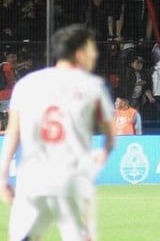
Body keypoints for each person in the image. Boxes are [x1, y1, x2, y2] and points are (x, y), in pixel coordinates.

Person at [0, 24, 115, 241]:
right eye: (92, 50)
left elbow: (12, 132)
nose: (95, 55)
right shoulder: (93, 86)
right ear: (80, 54)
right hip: (73, 179)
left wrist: (3, 174)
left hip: (33, 178)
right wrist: (104, 152)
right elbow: (109, 135)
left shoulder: (27, 84)